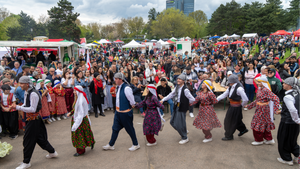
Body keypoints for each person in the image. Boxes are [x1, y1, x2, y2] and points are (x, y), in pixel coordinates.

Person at [8, 76, 58, 169]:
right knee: (39, 138)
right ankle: (52, 152)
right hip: (31, 119)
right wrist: (17, 106)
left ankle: (26, 162)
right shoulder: (27, 91)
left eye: (22, 83)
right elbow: (26, 104)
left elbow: (32, 109)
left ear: (27, 84)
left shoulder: (33, 93)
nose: (20, 85)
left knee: (28, 141)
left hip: (34, 120)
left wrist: (18, 107)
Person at [102, 73, 140, 151]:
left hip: (125, 113)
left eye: (116, 79)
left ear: (120, 79)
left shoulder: (126, 88)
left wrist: (132, 104)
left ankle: (136, 144)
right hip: (118, 112)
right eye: (115, 79)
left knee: (129, 129)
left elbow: (131, 99)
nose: (115, 80)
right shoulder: (118, 87)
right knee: (115, 128)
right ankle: (111, 144)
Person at [160, 74, 195, 144]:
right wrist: (163, 99)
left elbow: (192, 99)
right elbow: (171, 95)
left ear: (183, 81)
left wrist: (187, 103)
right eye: (178, 78)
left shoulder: (185, 90)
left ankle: (184, 137)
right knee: (172, 122)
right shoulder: (177, 87)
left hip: (181, 108)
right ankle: (183, 131)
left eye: (180, 79)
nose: (178, 80)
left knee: (179, 123)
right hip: (176, 106)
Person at [245, 76, 280, 146]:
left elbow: (276, 98)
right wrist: (249, 106)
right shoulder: (259, 89)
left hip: (263, 110)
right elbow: (257, 100)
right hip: (260, 109)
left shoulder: (265, 90)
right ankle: (269, 139)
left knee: (256, 123)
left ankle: (259, 140)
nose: (257, 83)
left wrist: (275, 109)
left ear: (263, 83)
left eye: (259, 82)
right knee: (264, 124)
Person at [276, 77, 300, 166]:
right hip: (296, 123)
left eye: (285, 83)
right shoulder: (297, 93)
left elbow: (293, 110)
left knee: (283, 139)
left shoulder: (288, 97)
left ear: (289, 86)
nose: (283, 84)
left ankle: (286, 158)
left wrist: (297, 120)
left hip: (288, 122)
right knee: (292, 139)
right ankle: (298, 154)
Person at [217, 74, 249, 141]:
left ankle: (229, 136)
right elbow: (224, 94)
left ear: (232, 81)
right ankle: (243, 129)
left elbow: (245, 99)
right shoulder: (230, 87)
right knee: (236, 120)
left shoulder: (239, 88)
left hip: (236, 108)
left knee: (229, 121)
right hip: (232, 106)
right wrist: (216, 99)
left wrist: (241, 105)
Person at [67, 86, 95, 157]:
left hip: (80, 119)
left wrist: (76, 123)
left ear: (78, 91)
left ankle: (80, 150)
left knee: (79, 134)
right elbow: (76, 109)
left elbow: (80, 113)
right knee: (86, 132)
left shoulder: (80, 100)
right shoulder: (79, 98)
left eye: (75, 91)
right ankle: (91, 142)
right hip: (82, 119)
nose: (73, 92)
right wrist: (71, 112)